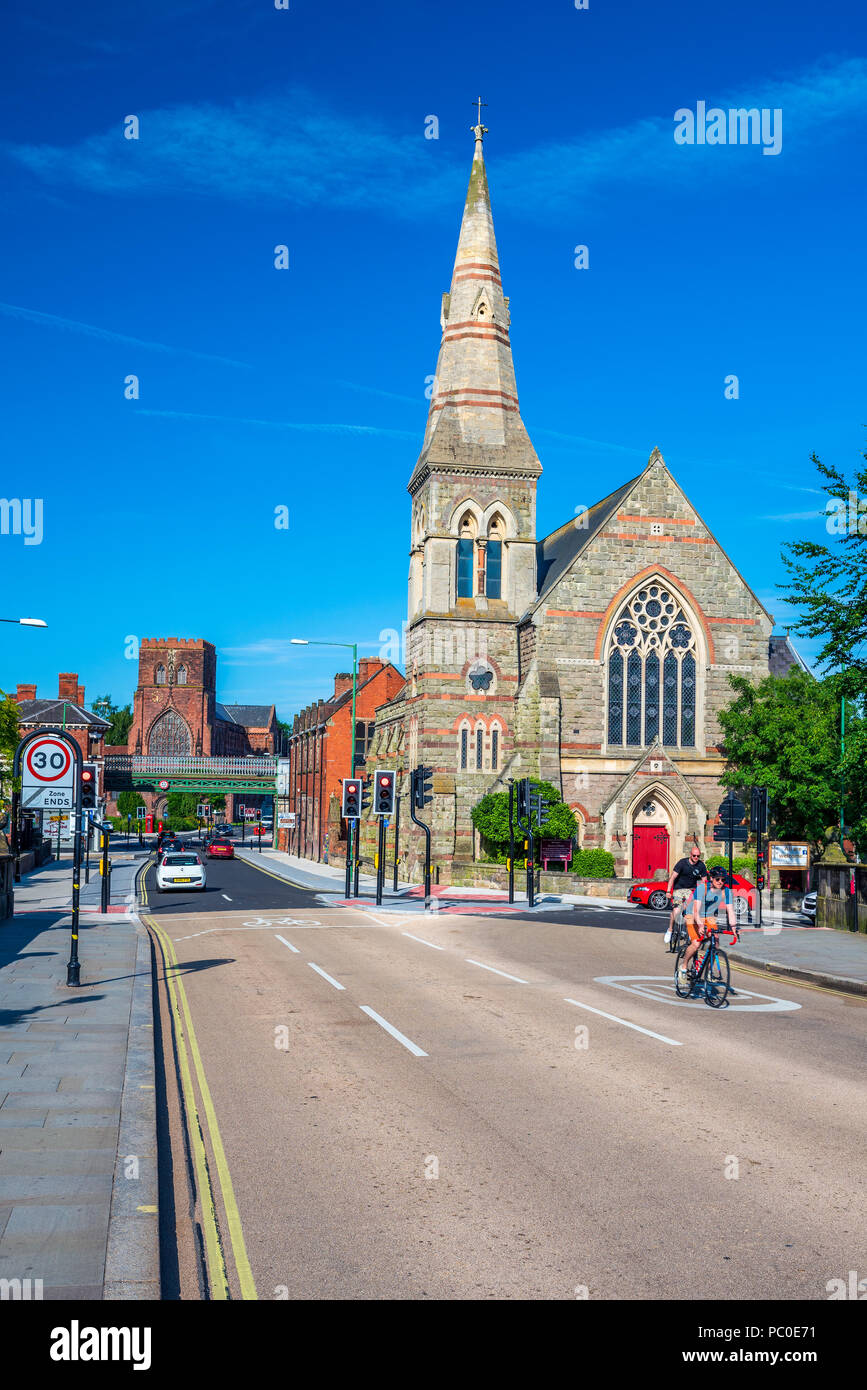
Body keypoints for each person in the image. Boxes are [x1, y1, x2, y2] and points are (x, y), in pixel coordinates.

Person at [677, 866, 738, 988]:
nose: (720, 882)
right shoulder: (702, 888)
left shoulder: (726, 891)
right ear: (712, 879)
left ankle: (708, 971)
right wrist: (699, 925)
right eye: (717, 879)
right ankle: (683, 967)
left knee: (715, 942)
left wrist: (734, 927)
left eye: (723, 880)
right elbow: (696, 911)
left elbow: (730, 911)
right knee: (696, 944)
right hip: (692, 915)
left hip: (708, 916)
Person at [664, 845, 708, 944]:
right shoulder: (682, 863)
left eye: (698, 856)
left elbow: (705, 882)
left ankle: (689, 933)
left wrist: (704, 895)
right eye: (694, 856)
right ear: (690, 855)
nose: (696, 858)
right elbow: (672, 877)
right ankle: (670, 930)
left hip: (691, 890)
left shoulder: (701, 865)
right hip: (679, 889)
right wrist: (668, 891)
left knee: (691, 912)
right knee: (676, 911)